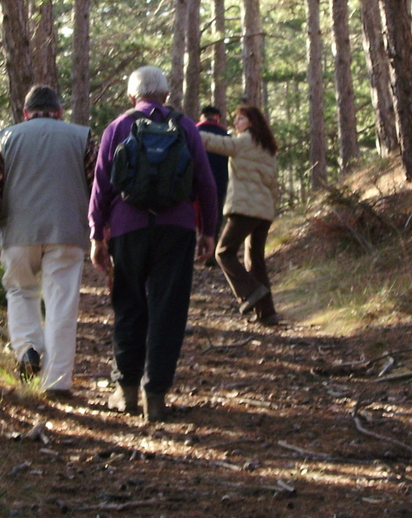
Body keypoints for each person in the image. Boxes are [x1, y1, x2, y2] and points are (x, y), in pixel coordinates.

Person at [89, 65, 218, 421]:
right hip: (176, 229)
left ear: (132, 96)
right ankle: (156, 396)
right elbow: (205, 183)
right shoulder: (186, 127)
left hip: (127, 227)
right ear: (166, 95)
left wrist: (97, 234)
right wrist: (208, 230)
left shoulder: (118, 126)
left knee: (129, 305)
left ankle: (126, 391)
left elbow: (101, 184)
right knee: (168, 310)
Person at [0, 85, 97, 395]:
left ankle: (28, 348)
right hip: (67, 233)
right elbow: (97, 187)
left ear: (25, 113)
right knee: (61, 305)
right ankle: (57, 382)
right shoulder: (81, 137)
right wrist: (101, 231)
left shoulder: (7, 137)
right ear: (59, 112)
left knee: (20, 291)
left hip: (18, 234)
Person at [199, 105, 280, 326]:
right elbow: (273, 183)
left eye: (241, 119)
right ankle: (267, 314)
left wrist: (193, 133)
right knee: (255, 261)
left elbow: (221, 144)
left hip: (246, 208)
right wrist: (271, 208)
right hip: (263, 211)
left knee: (223, 252)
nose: (236, 123)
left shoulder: (245, 140)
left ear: (251, 122)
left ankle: (250, 292)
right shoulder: (267, 146)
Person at [196, 105, 230, 257]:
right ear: (217, 117)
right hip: (219, 182)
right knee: (215, 218)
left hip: (195, 183)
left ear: (202, 116)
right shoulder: (225, 135)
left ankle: (192, 253)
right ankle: (211, 254)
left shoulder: (193, 132)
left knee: (192, 215)